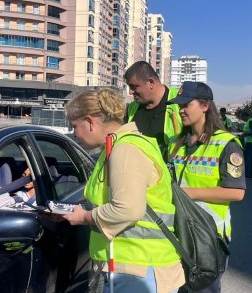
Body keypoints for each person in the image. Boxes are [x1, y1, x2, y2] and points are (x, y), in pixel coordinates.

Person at [62, 88, 184, 293]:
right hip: (132, 265)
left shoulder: (126, 149)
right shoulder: (115, 146)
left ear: (90, 122)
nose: (74, 133)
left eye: (75, 126)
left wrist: (84, 217)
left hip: (140, 268)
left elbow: (128, 209)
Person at [167, 81, 246, 293]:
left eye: (186, 104)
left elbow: (236, 192)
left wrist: (187, 193)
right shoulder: (175, 142)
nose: (181, 110)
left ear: (204, 106)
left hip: (207, 237)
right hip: (176, 233)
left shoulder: (226, 144)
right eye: (179, 105)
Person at [124, 61, 182, 159]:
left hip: (169, 171)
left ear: (151, 83)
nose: (130, 92)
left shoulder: (180, 102)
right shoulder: (131, 108)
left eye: (134, 87)